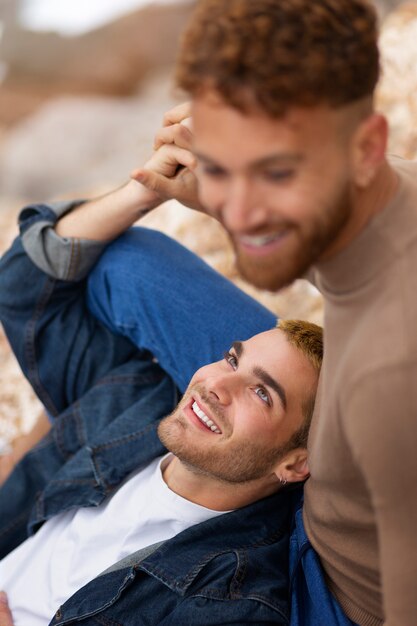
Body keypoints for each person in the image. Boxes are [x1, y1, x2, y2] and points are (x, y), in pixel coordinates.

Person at [31, 1, 414, 625]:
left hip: (341, 585)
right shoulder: (359, 214)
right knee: (127, 265)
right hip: (301, 437)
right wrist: (168, 188)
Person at [0, 200, 322, 625]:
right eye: (230, 358)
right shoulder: (136, 399)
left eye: (262, 393)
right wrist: (145, 190)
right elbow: (24, 285)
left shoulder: (230, 604)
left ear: (296, 463)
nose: (215, 386)